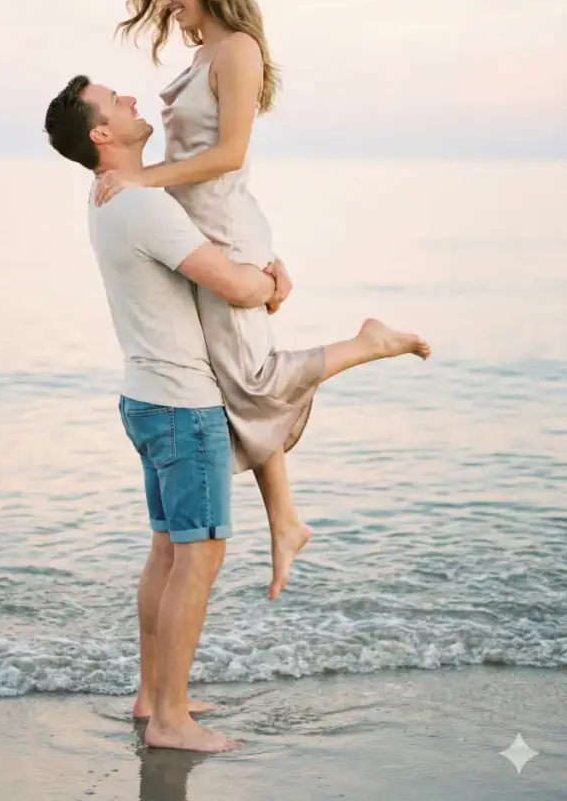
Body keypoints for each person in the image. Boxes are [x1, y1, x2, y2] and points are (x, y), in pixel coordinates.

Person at [43, 76, 430, 751]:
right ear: (100, 134)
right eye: (116, 101)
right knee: (199, 555)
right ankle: (169, 721)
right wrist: (275, 282)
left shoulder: (107, 199)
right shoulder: (142, 207)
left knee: (167, 550)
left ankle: (154, 696)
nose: (133, 99)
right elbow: (235, 285)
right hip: (180, 407)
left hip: (144, 397)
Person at [93, 0, 431, 600]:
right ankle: (284, 522)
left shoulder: (238, 50)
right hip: (205, 230)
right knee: (230, 386)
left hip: (222, 229)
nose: (165, 3)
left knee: (248, 378)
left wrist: (142, 179)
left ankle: (368, 344)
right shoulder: (206, 52)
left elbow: (229, 154)